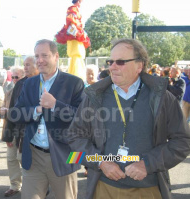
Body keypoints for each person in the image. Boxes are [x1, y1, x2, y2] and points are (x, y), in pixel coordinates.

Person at [67, 38, 190, 199]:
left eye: (120, 62)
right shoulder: (94, 97)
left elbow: (182, 142)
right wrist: (100, 162)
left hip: (148, 189)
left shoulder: (162, 99)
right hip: (104, 187)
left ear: (139, 65)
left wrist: (148, 164)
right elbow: (74, 137)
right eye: (110, 61)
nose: (112, 66)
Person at [10, 39, 84, 199]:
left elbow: (83, 119)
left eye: (45, 55)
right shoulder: (29, 83)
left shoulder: (74, 83)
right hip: (33, 155)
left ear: (56, 56)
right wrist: (36, 110)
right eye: (37, 56)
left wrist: (55, 105)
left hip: (65, 155)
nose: (40, 60)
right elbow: (15, 114)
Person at [1, 56, 39, 197]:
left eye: (28, 65)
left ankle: (36, 187)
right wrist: (8, 135)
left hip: (31, 132)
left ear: (37, 66)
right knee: (11, 159)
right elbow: (13, 110)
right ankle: (15, 185)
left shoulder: (43, 83)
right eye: (24, 65)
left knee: (26, 161)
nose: (25, 68)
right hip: (16, 130)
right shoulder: (20, 84)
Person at [55, 0, 90, 80]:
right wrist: (78, 33)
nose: (81, 4)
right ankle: (77, 78)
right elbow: (71, 21)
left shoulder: (74, 9)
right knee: (76, 54)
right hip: (74, 37)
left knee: (77, 55)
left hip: (75, 36)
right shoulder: (73, 9)